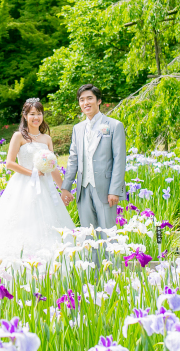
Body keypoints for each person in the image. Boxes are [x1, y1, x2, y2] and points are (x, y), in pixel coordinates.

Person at [0, 98, 75, 264]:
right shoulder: (19, 136)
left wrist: (64, 189)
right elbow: (10, 163)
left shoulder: (46, 139)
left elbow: (53, 166)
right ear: (25, 116)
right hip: (23, 185)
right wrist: (32, 173)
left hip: (45, 187)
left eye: (39, 114)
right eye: (32, 114)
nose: (36, 117)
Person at [61, 84, 126, 263]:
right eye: (82, 100)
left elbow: (119, 160)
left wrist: (115, 190)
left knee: (108, 235)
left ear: (99, 101)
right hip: (84, 188)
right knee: (88, 236)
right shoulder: (78, 128)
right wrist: (66, 188)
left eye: (89, 98)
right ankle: (93, 275)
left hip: (105, 189)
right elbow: (73, 159)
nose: (85, 103)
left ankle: (113, 274)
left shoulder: (114, 125)